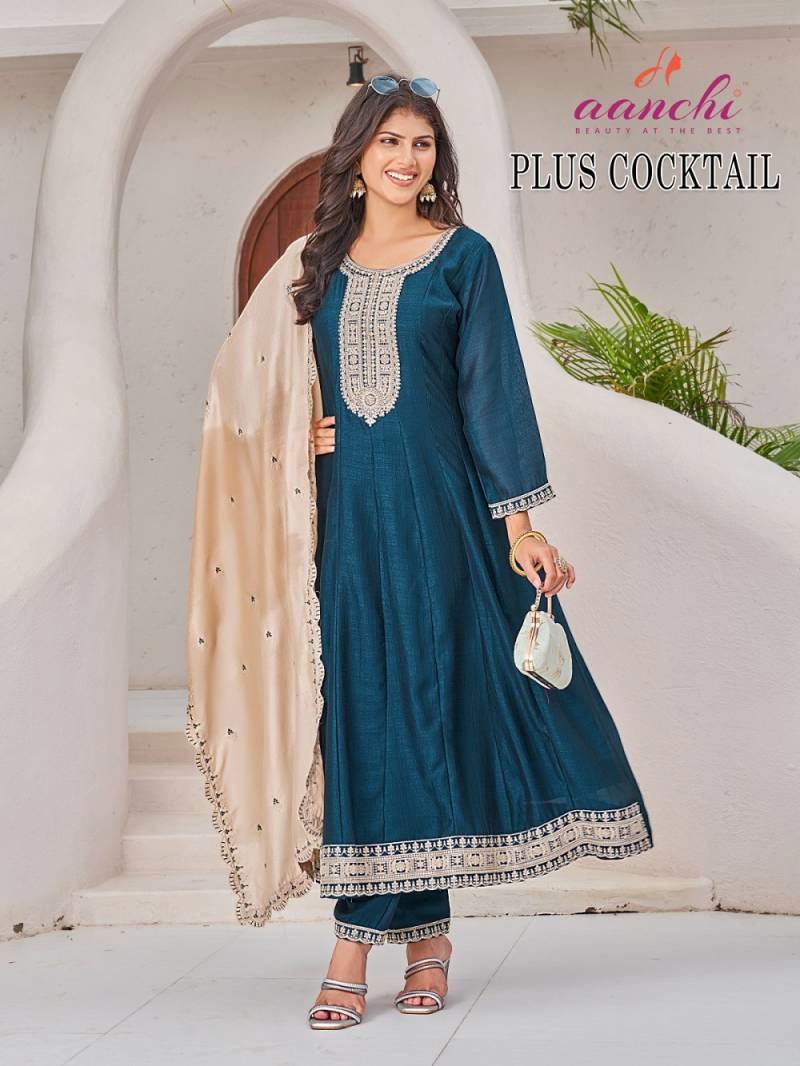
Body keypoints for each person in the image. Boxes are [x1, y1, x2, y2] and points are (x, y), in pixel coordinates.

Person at [185, 71, 653, 1034]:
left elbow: (494, 396)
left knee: (429, 711)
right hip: (346, 525)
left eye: (423, 144)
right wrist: (294, 429)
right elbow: (243, 387)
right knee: (364, 714)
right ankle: (418, 942)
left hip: (444, 520)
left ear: (437, 161)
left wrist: (521, 529)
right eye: (390, 141)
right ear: (357, 156)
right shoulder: (311, 266)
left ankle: (361, 950)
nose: (407, 159)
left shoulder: (463, 258)